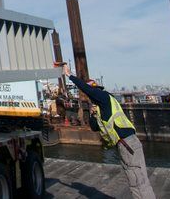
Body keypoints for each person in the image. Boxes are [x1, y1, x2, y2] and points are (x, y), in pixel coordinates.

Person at [63, 64, 155, 199]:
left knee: (137, 181)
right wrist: (93, 114)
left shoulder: (105, 97)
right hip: (125, 145)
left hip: (128, 144)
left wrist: (69, 75)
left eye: (91, 93)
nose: (90, 97)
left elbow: (86, 88)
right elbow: (95, 127)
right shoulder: (101, 107)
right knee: (136, 179)